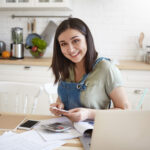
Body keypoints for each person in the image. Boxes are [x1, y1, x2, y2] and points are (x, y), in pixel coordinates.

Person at [50, 17, 130, 122]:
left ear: (87, 39)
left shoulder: (106, 68)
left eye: (76, 41)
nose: (70, 49)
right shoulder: (66, 67)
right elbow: (62, 100)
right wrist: (59, 107)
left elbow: (125, 110)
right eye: (64, 44)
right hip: (67, 131)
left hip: (95, 132)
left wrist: (89, 114)